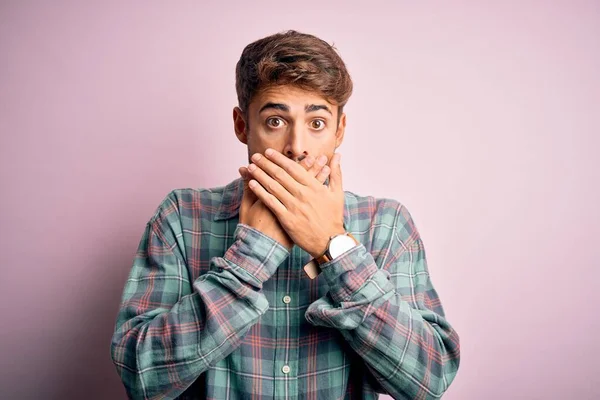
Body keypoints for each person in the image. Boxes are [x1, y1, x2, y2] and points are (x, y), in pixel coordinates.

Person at [111, 30, 460, 400]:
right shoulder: (182, 218)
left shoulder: (386, 224)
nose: (296, 148)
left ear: (339, 130)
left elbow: (429, 379)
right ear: (242, 126)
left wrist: (335, 248)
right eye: (276, 121)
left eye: (317, 123)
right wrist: (249, 259)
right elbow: (140, 376)